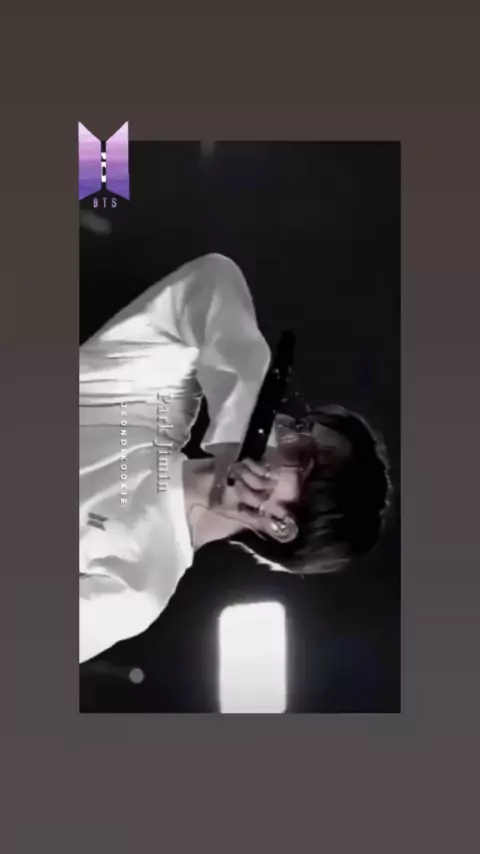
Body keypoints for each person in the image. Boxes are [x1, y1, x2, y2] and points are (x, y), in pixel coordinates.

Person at [79, 253, 391, 663]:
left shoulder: (140, 584)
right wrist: (234, 422)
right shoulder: (148, 402)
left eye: (303, 456)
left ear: (280, 523)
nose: (282, 427)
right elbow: (212, 279)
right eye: (300, 424)